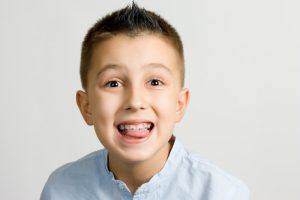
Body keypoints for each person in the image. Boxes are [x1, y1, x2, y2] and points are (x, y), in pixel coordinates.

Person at [41, 2, 250, 199]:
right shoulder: (62, 189)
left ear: (179, 104)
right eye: (113, 83)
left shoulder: (223, 194)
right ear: (86, 107)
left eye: (155, 82)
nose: (135, 101)